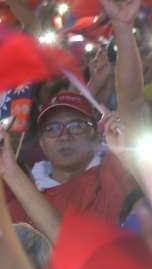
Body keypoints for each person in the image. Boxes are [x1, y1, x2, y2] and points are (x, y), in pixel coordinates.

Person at [1, 93, 137, 241]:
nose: (64, 135)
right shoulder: (14, 189)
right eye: (52, 128)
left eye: (76, 126)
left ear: (97, 134)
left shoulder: (112, 173)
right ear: (42, 142)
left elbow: (132, 97)